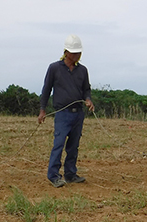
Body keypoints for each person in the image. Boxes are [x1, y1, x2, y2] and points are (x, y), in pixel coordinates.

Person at [38, 34, 95, 188]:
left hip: (78, 114)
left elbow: (86, 90)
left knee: (73, 146)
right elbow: (46, 89)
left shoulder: (83, 70)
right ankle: (53, 175)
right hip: (62, 114)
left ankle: (70, 174)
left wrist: (88, 100)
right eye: (74, 52)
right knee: (59, 144)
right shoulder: (54, 68)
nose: (77, 55)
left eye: (79, 53)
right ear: (66, 52)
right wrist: (42, 110)